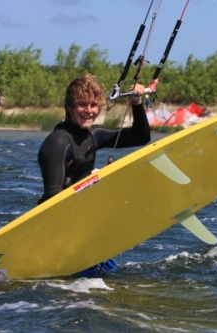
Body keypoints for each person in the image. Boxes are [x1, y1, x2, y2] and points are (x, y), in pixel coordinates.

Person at [37, 73, 151, 276]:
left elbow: (141, 136)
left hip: (82, 233)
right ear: (69, 107)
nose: (88, 111)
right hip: (58, 234)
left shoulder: (94, 135)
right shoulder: (57, 142)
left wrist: (136, 102)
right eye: (82, 105)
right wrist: (91, 182)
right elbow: (51, 196)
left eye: (93, 105)